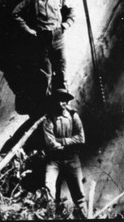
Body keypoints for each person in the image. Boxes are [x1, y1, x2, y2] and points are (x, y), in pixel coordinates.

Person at [12, 0, 74, 96]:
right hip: (41, 38)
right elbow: (15, 14)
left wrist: (66, 24)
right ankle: (47, 99)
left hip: (58, 36)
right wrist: (28, 30)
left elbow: (72, 11)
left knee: (62, 65)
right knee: (45, 71)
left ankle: (62, 95)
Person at [43, 89, 87, 219]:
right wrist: (67, 143)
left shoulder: (74, 116)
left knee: (79, 195)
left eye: (63, 100)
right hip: (53, 161)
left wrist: (62, 141)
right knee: (48, 189)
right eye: (57, 100)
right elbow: (50, 144)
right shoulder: (48, 119)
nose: (60, 103)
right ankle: (50, 217)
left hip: (72, 159)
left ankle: (83, 216)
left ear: (67, 102)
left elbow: (81, 138)